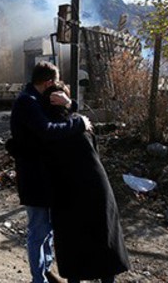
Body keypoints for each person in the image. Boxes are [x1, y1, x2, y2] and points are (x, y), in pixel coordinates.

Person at [40, 84, 130, 283]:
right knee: (103, 240)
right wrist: (72, 106)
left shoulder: (49, 130)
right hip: (98, 187)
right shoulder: (82, 123)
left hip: (67, 193)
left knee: (73, 244)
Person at [9, 61, 90, 283]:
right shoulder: (28, 103)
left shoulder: (36, 100)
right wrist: (79, 124)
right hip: (34, 177)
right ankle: (39, 279)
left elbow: (59, 116)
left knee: (46, 230)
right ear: (48, 82)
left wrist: (71, 105)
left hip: (43, 176)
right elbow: (48, 130)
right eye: (54, 82)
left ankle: (45, 270)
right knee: (38, 230)